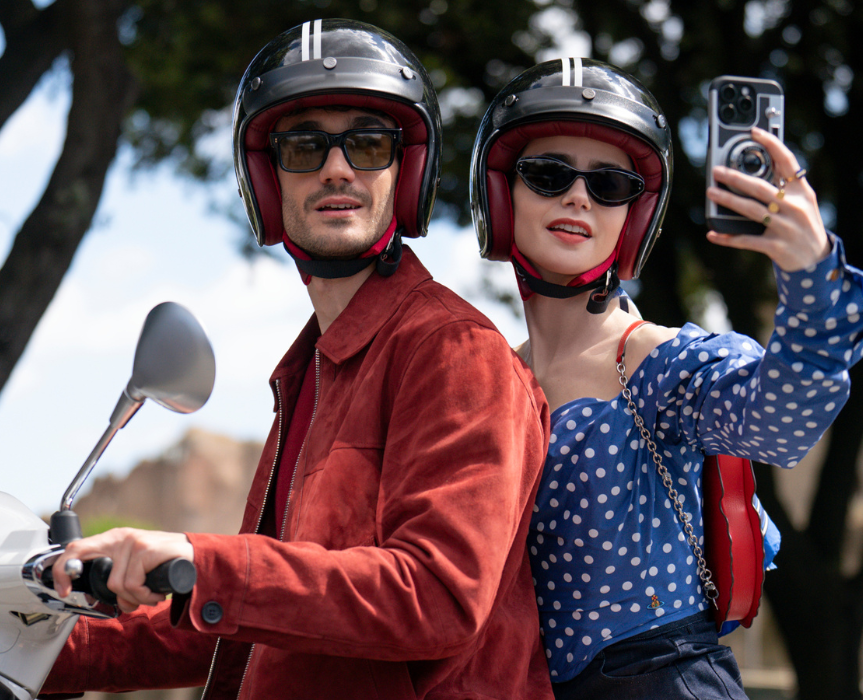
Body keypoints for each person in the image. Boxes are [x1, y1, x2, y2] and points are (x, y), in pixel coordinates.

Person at [38, 20, 552, 699]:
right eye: (304, 146)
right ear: (267, 178)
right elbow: (254, 620)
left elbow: (438, 595)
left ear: (406, 172)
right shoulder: (312, 367)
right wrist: (46, 649)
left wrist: (205, 561)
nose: (337, 166)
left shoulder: (453, 351)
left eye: (368, 143)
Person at [469, 59, 863, 698]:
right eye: (548, 175)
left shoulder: (664, 366)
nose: (578, 197)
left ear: (633, 215)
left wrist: (811, 277)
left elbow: (780, 424)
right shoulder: (484, 381)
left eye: (610, 184)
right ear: (503, 194)